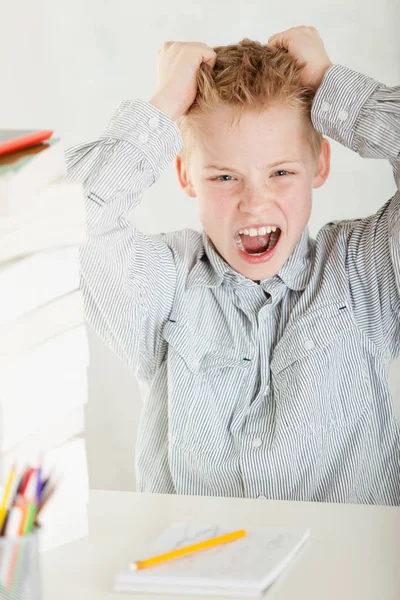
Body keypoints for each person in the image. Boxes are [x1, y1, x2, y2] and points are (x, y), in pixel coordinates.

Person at [66, 26, 400, 504]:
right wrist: (162, 107)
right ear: (186, 175)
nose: (254, 202)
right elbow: (59, 218)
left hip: (343, 573)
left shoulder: (363, 273)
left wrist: (330, 81)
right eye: (224, 176)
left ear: (319, 165)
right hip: (194, 570)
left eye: (281, 172)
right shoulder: (166, 286)